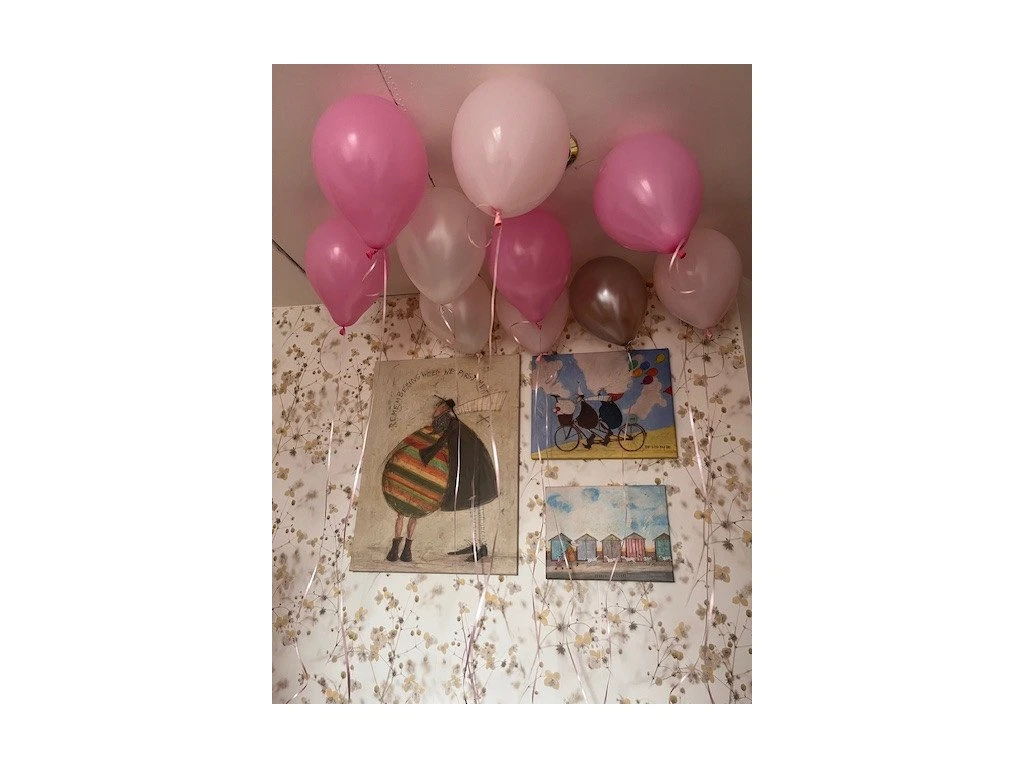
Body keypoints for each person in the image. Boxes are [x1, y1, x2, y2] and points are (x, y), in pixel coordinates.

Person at [381, 397, 498, 563]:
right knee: (474, 506)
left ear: (444, 410)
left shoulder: (453, 424)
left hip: (473, 469)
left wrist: (426, 454)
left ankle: (481, 547)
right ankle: (478, 544)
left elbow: (441, 443)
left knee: (476, 506)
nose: (433, 412)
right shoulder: (451, 423)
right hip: (467, 468)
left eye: (437, 409)